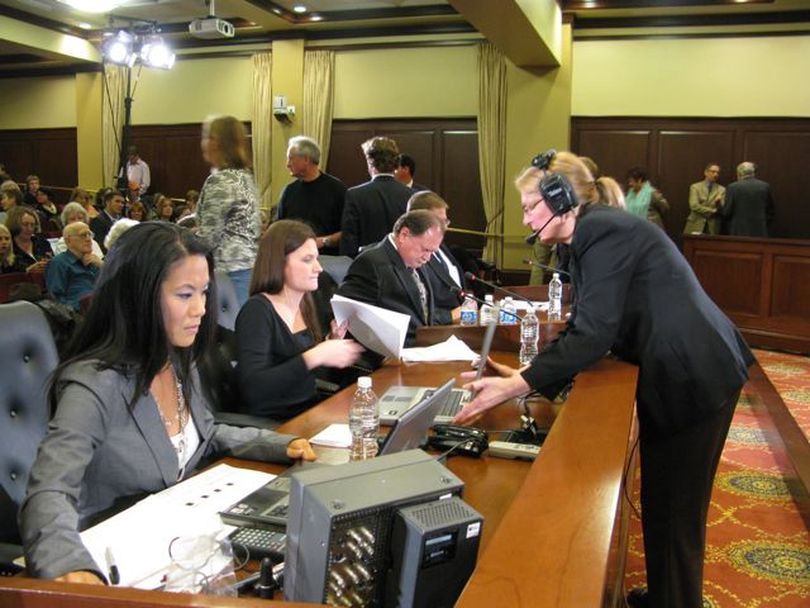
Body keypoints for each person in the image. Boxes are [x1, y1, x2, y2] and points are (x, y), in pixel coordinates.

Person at [453, 150, 753, 608]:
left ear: (561, 198)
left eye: (530, 204)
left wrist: (518, 385)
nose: (525, 215)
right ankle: (667, 594)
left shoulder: (602, 231)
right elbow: (586, 324)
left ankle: (677, 601)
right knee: (662, 501)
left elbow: (593, 335)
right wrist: (527, 374)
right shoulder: (590, 234)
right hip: (687, 369)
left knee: (676, 511)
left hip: (695, 374)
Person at [19, 222, 315, 583]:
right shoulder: (94, 382)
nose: (202, 310)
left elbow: (206, 431)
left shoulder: (177, 360)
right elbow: (49, 490)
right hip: (117, 563)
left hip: (183, 553)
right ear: (139, 298)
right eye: (185, 295)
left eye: (204, 293)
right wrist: (69, 567)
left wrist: (280, 445)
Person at [236, 220, 364, 420]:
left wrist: (331, 343)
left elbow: (305, 376)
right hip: (276, 427)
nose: (319, 268)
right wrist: (316, 355)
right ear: (279, 263)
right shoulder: (257, 312)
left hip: (310, 413)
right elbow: (254, 389)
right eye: (307, 260)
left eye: (317, 259)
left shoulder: (306, 305)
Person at [337, 209, 451, 348]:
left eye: (433, 252)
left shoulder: (415, 259)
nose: (428, 257)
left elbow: (423, 313)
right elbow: (348, 316)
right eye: (425, 249)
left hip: (421, 350)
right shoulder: (371, 263)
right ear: (404, 235)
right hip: (388, 357)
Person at [196, 115, 260, 307]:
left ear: (215, 142)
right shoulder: (245, 177)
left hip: (229, 273)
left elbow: (208, 239)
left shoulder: (220, 181)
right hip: (249, 268)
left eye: (207, 137)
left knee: (229, 332)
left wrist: (181, 242)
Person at [339, 136, 414, 257]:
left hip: (366, 264)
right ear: (396, 164)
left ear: (370, 162)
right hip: (403, 264)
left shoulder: (355, 195)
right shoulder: (412, 195)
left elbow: (349, 240)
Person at [276, 136, 347, 256]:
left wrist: (324, 241)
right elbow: (279, 228)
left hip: (326, 261)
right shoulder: (288, 191)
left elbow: (348, 231)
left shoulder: (337, 189)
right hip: (293, 258)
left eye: (290, 158)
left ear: (306, 159)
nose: (287, 164)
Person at [406, 191, 464, 322]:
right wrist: (451, 316)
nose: (445, 228)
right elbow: (415, 310)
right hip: (438, 330)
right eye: (439, 221)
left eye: (446, 221)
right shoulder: (413, 255)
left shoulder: (441, 246)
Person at [45, 222, 102, 311]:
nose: (88, 239)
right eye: (83, 235)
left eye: (89, 235)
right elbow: (56, 299)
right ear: (68, 241)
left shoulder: (94, 262)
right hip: (79, 313)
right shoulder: (59, 263)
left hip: (101, 308)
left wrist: (102, 265)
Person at [720, 161, 775, 237]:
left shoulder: (733, 187)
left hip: (738, 231)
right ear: (753, 172)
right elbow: (770, 211)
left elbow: (727, 212)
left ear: (739, 173)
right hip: (760, 230)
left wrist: (721, 203)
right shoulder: (765, 186)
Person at [6, 205, 51, 273]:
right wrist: (26, 271)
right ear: (15, 224)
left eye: (32, 225)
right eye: (25, 224)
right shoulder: (7, 246)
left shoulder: (43, 243)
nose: (29, 229)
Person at [683, 163, 724, 235]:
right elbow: (694, 205)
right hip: (695, 223)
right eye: (713, 171)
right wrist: (712, 210)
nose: (716, 174)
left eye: (718, 172)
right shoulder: (695, 187)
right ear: (706, 172)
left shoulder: (722, 189)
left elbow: (721, 209)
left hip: (712, 226)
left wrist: (718, 203)